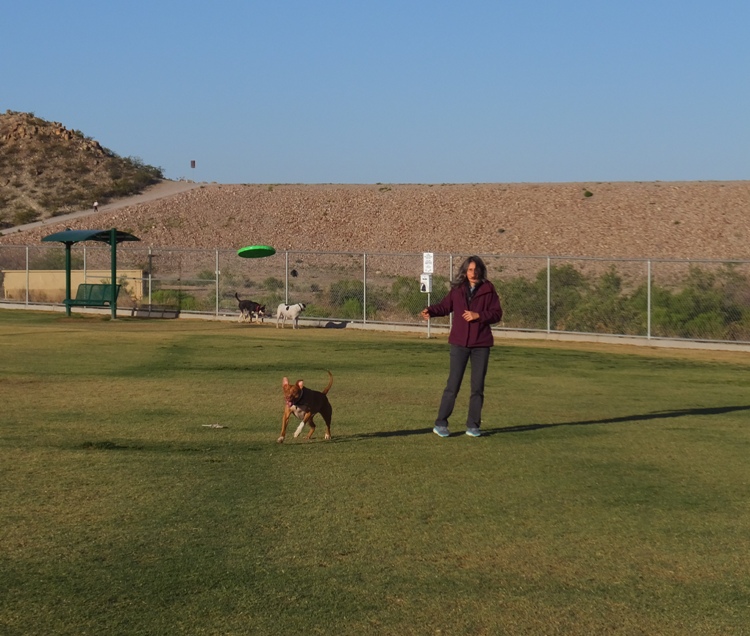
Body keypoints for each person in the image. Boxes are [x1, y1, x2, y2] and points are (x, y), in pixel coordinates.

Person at [420, 255, 503, 438]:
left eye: (476, 269)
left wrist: (478, 315)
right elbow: (445, 306)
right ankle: (441, 423)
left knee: (477, 387)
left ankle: (473, 425)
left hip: (481, 345)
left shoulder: (489, 289)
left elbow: (497, 314)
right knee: (453, 385)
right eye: (470, 270)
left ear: (481, 270)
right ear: (465, 272)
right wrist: (430, 311)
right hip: (459, 344)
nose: (473, 273)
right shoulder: (457, 290)